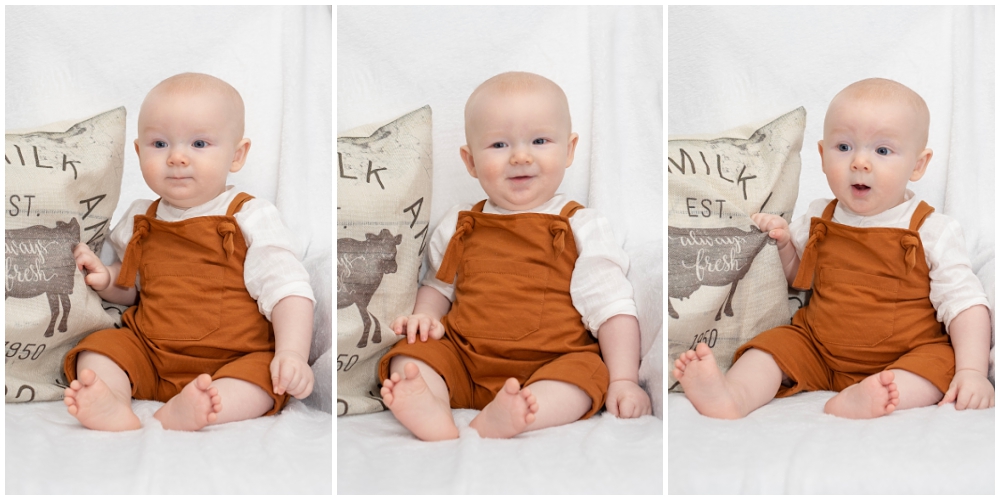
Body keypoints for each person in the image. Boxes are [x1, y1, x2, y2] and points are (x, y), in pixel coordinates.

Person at [674, 78, 994, 419]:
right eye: (844, 147)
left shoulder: (931, 230)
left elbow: (965, 305)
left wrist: (971, 372)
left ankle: (869, 398)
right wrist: (785, 247)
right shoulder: (818, 217)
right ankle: (732, 395)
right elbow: (801, 278)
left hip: (906, 353)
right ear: (822, 156)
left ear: (918, 164)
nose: (860, 162)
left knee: (940, 365)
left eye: (882, 151)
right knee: (771, 348)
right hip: (819, 348)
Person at [377, 71, 651, 441]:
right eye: (499, 145)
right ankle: (430, 406)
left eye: (539, 140)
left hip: (552, 363)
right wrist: (426, 318)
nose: (521, 157)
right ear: (470, 161)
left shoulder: (581, 225)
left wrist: (623, 379)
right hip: (465, 359)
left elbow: (612, 309)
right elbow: (438, 286)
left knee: (586, 375)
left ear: (569, 150)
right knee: (408, 354)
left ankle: (519, 412)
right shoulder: (459, 224)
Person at [63, 73, 316, 431]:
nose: (177, 158)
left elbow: (288, 289)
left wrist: (292, 354)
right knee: (98, 348)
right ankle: (112, 402)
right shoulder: (140, 217)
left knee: (262, 381)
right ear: (139, 152)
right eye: (160, 144)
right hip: (150, 353)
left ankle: (199, 407)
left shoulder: (249, 215)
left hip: (233, 359)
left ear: (237, 154)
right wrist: (105, 281)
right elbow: (131, 288)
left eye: (199, 144)